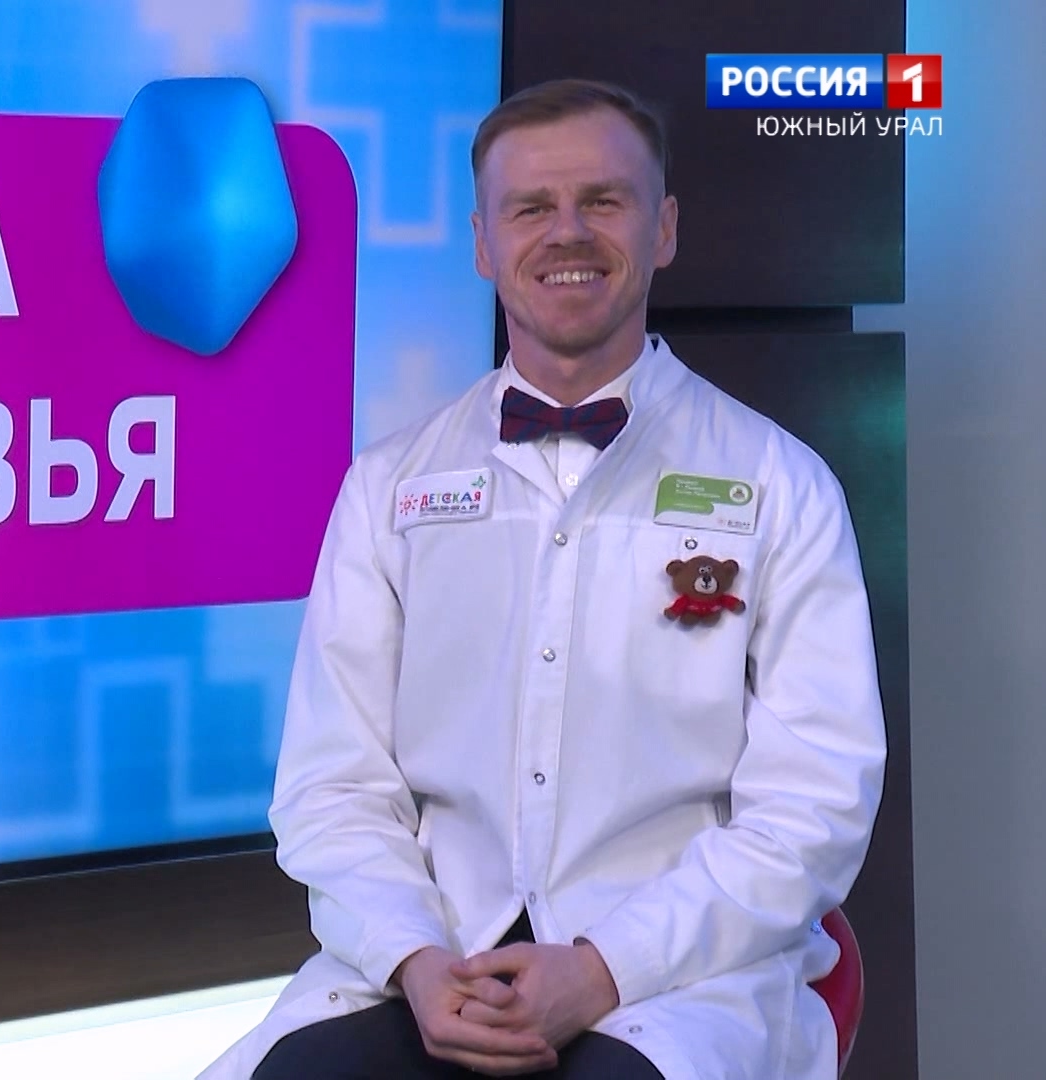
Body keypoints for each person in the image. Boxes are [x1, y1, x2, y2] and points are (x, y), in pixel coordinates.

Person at [196, 78, 887, 1080]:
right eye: (531, 208)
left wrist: (606, 968)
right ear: (483, 244)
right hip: (433, 960)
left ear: (663, 229)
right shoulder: (388, 487)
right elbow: (333, 787)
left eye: (603, 201)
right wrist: (416, 959)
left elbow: (811, 809)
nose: (568, 232)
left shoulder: (784, 486)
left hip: (674, 978)